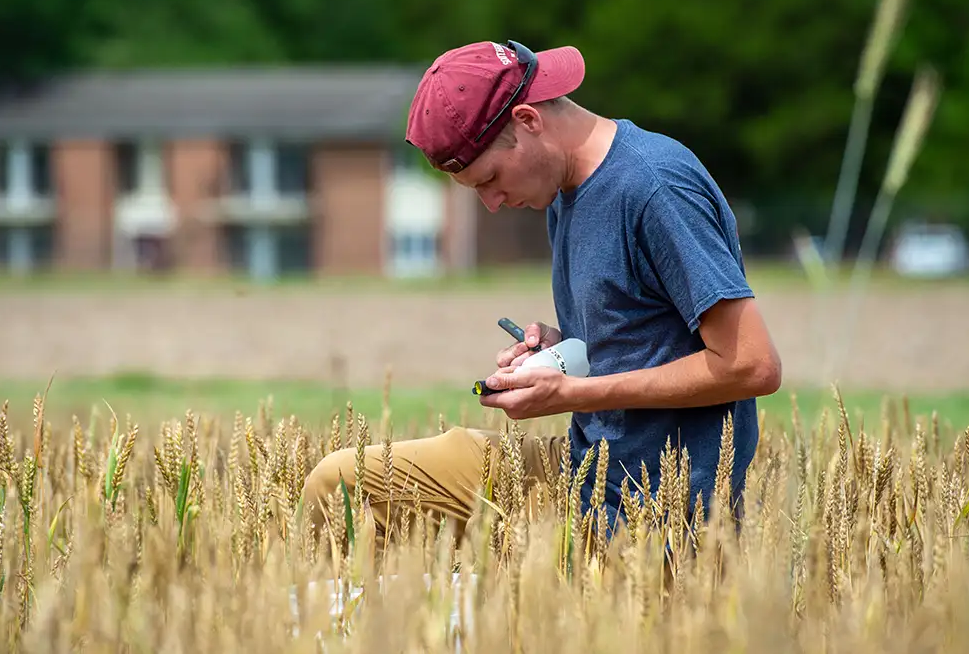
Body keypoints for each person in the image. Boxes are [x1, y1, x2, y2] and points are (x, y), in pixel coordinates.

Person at [301, 39, 782, 550]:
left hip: (655, 507)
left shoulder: (656, 188)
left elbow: (750, 366)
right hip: (582, 468)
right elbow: (641, 334)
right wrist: (559, 351)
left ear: (529, 121)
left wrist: (572, 395)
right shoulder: (563, 191)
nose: (491, 203)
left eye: (489, 178)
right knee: (342, 485)